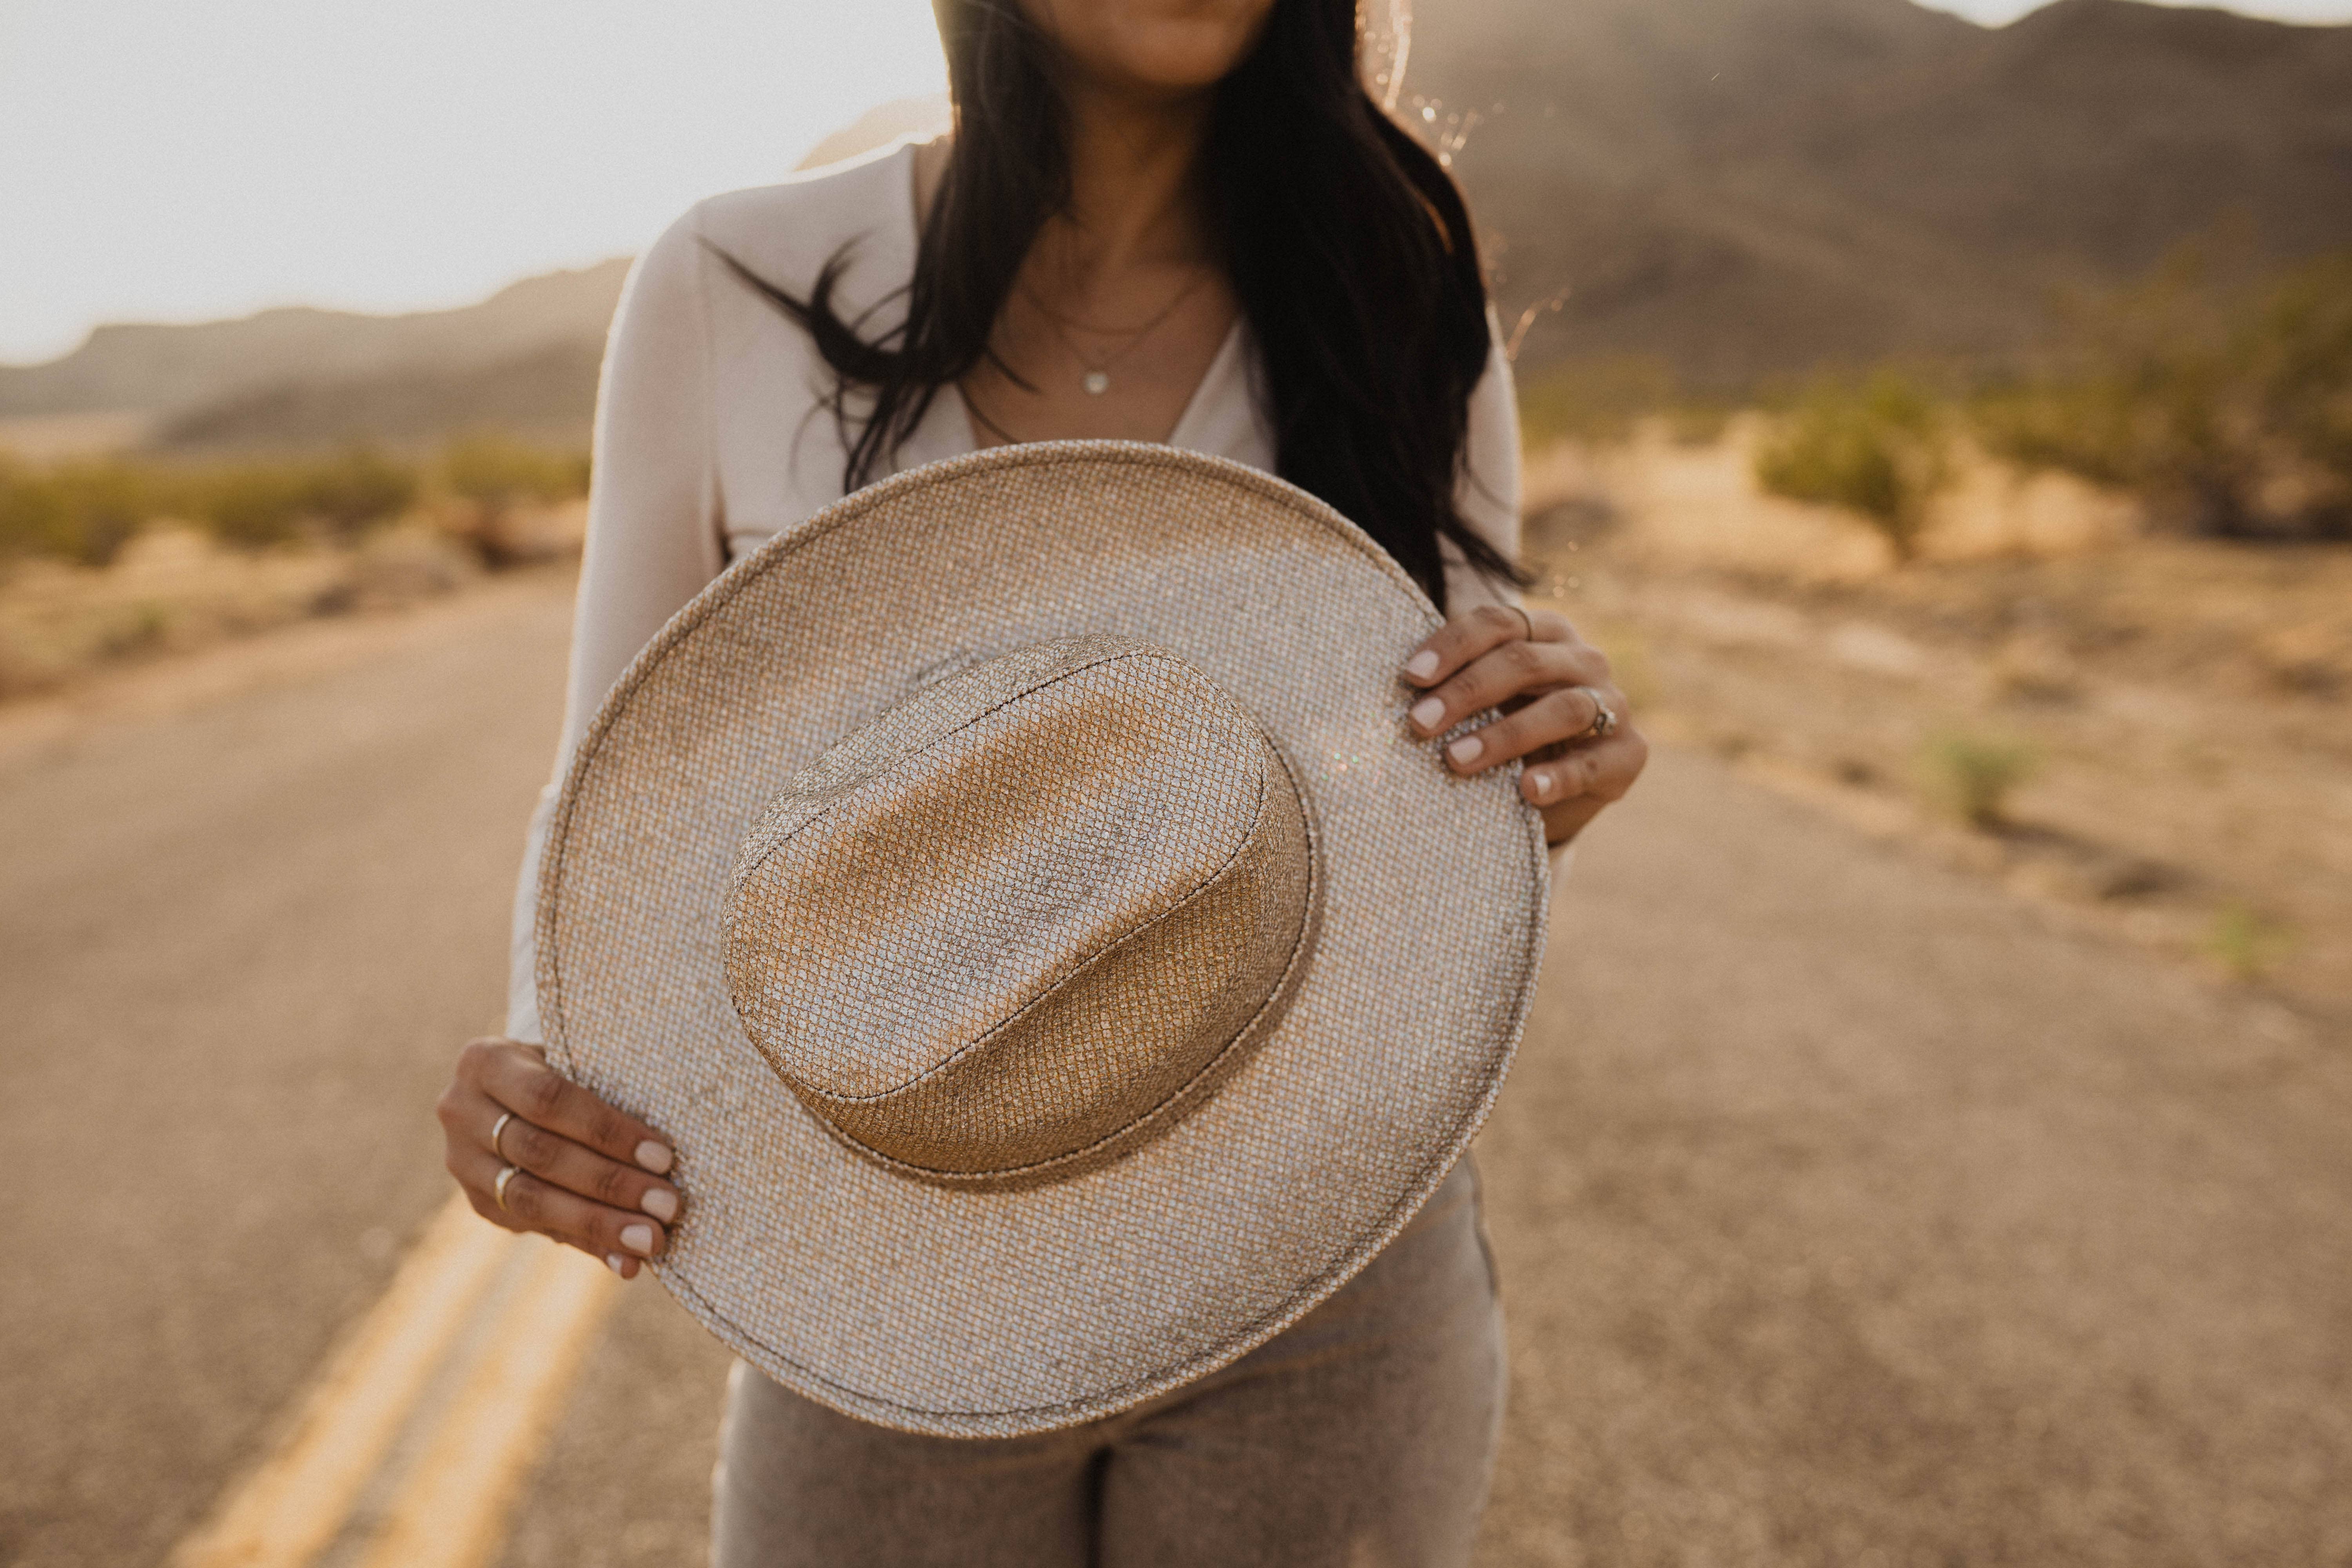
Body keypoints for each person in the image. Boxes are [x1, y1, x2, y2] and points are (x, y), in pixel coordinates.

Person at [436, 0, 1648, 1561]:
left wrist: (1544, 775)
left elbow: (1430, 804)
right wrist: (548, 1060)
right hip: (897, 1297)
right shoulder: (731, 285)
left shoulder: (1392, 292)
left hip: (1333, 1266)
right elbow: (616, 795)